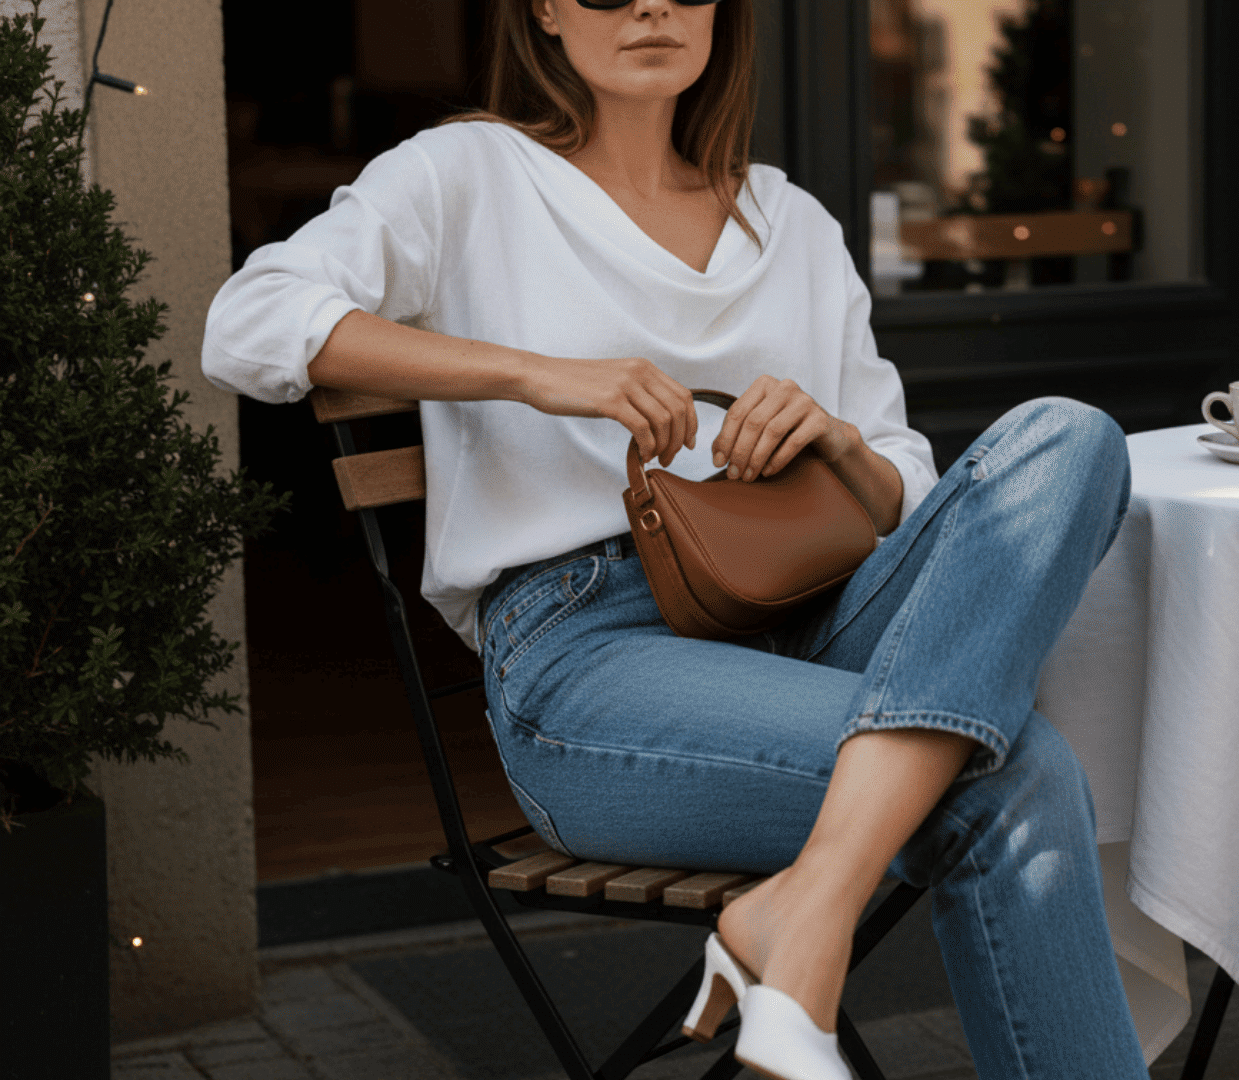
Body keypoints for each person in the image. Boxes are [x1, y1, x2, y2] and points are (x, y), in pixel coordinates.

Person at [202, 1, 1148, 1077]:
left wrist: (833, 440)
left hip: (816, 617)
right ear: (548, 10)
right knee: (1007, 770)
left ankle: (805, 909)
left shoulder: (788, 221)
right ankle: (810, 919)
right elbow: (249, 321)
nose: (650, 3)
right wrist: (539, 373)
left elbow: (906, 495)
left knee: (1071, 440)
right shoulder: (468, 175)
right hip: (590, 658)